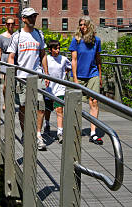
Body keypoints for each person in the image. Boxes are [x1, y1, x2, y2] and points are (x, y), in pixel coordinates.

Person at [7, 8, 49, 151]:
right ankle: (25, 133)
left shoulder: (39, 34)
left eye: (34, 16)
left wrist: (46, 73)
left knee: (41, 106)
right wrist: (12, 75)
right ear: (24, 19)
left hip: (37, 75)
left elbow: (43, 54)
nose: (33, 19)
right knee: (23, 107)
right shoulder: (17, 36)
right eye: (30, 17)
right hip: (22, 77)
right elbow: (11, 57)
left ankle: (37, 135)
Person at [69, 15, 103, 145]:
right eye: (81, 25)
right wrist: (75, 79)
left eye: (84, 25)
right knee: (76, 103)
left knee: (94, 102)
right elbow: (74, 60)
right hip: (79, 75)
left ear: (89, 26)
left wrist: (100, 76)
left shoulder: (96, 41)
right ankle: (75, 129)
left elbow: (98, 59)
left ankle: (93, 133)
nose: (82, 27)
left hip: (93, 74)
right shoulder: (76, 40)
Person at [44, 40, 71, 143]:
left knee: (59, 109)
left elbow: (69, 67)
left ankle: (60, 132)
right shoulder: (46, 59)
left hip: (60, 87)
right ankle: (47, 124)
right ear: (50, 50)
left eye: (59, 48)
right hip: (49, 88)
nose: (58, 50)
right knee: (48, 109)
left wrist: (64, 73)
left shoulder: (63, 59)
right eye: (55, 49)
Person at [0, 18, 17, 111]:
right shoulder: (1, 37)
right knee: (6, 84)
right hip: (5, 60)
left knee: (14, 83)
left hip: (16, 60)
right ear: (6, 25)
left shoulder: (17, 36)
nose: (10, 25)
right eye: (8, 24)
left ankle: (12, 101)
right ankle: (6, 102)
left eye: (12, 24)